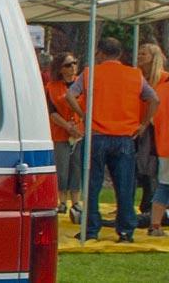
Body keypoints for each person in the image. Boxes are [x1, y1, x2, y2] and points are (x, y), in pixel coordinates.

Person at [68, 37, 161, 242]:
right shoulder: (134, 75)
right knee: (125, 187)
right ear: (119, 54)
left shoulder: (90, 73)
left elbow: (70, 95)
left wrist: (85, 115)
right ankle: (126, 231)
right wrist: (143, 124)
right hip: (124, 137)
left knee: (92, 186)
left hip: (97, 136)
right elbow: (154, 98)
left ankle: (91, 229)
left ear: (100, 53)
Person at [46, 52, 84, 222]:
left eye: (74, 63)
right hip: (61, 132)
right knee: (62, 168)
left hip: (80, 132)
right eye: (68, 65)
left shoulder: (83, 84)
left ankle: (76, 201)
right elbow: (52, 112)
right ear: (60, 68)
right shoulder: (52, 87)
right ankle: (61, 201)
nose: (72, 67)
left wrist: (78, 127)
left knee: (77, 167)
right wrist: (68, 126)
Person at [141, 43, 169, 236]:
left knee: (163, 184)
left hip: (161, 142)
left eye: (143, 54)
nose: (139, 57)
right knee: (163, 184)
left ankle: (155, 224)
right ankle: (155, 224)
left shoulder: (159, 85)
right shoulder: (156, 84)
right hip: (161, 142)